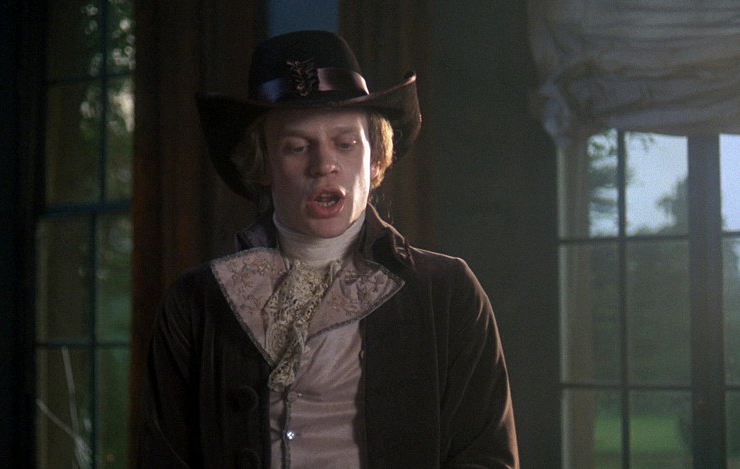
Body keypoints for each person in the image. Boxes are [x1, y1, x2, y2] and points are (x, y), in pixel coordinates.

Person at [138, 30, 519, 468]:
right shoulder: (195, 303)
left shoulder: (446, 293)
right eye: (297, 147)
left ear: (375, 159)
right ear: (263, 164)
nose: (324, 165)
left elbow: (485, 457)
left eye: (345, 143)